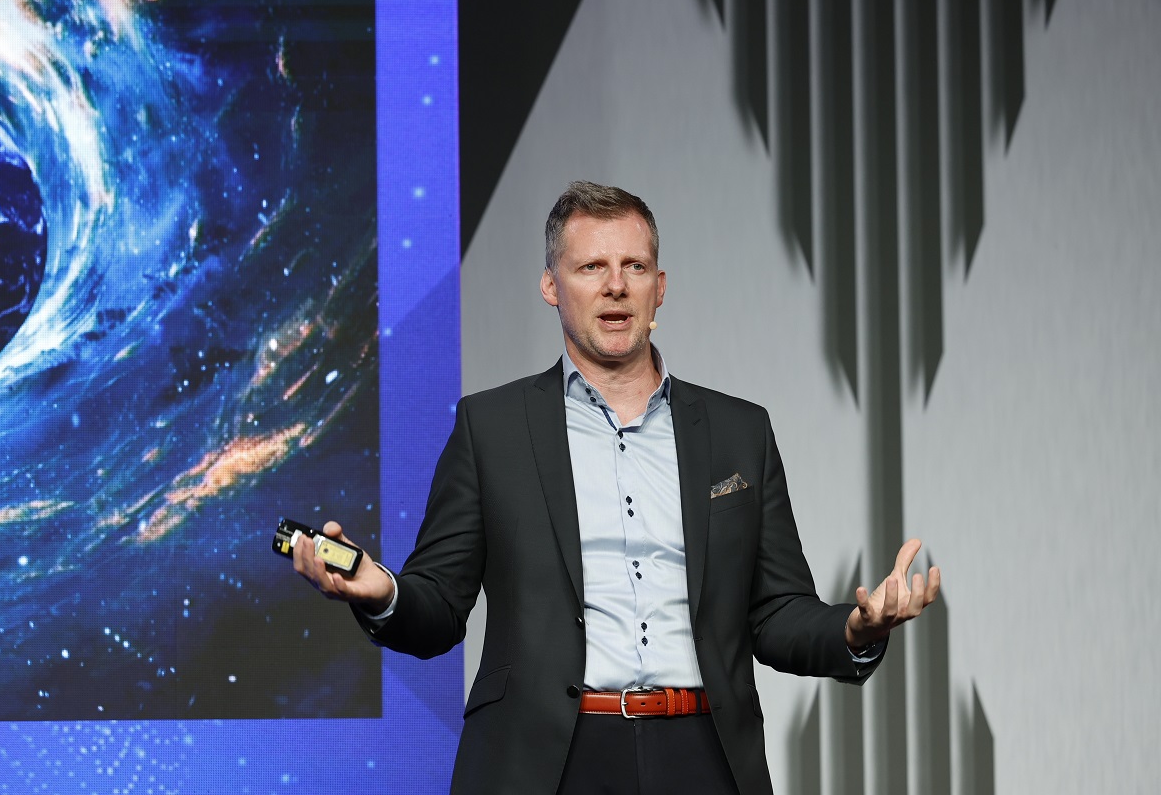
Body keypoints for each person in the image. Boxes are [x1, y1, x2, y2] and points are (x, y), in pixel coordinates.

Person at [290, 181, 940, 795]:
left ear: (660, 288)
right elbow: (438, 606)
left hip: (703, 753)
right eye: (591, 267)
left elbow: (777, 614)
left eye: (634, 266)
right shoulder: (491, 428)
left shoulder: (740, 432)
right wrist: (383, 592)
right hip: (545, 761)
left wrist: (857, 629)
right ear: (551, 285)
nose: (616, 286)